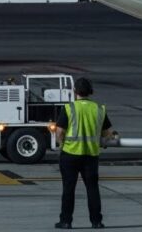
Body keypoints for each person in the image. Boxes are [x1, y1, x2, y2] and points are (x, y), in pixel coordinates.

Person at [54, 77, 116, 229]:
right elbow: (108, 133)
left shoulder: (69, 108)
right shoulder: (99, 109)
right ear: (91, 92)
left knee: (69, 189)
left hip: (70, 154)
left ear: (75, 92)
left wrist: (62, 145)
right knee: (92, 189)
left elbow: (60, 131)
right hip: (91, 155)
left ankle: (66, 221)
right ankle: (96, 221)